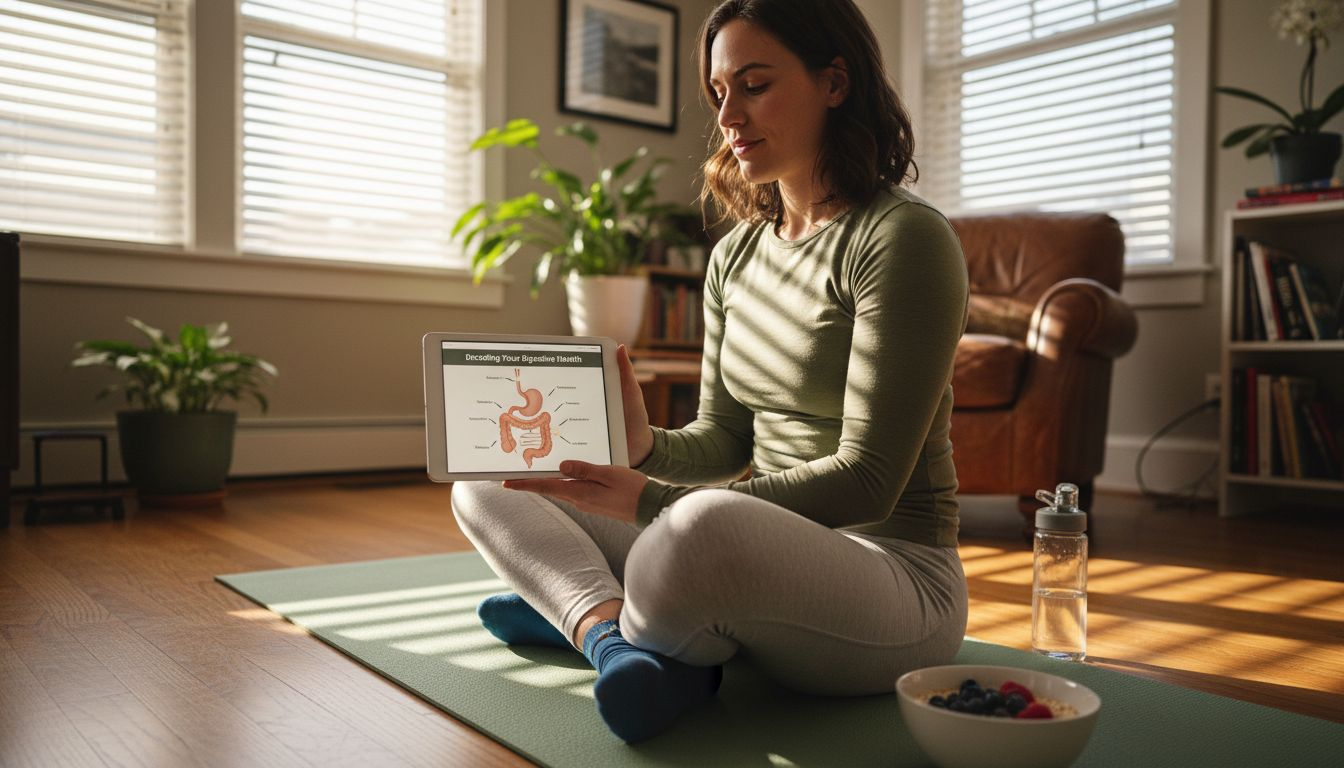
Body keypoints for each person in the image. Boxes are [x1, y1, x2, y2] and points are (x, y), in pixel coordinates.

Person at [450, 0, 969, 744]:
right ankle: (612, 639)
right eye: (720, 93)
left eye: (754, 85)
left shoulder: (903, 237)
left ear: (835, 82)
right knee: (489, 476)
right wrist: (643, 446)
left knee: (700, 525)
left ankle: (580, 604)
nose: (730, 115)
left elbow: (870, 478)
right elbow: (723, 440)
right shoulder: (733, 257)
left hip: (896, 577)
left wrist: (653, 500)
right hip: (757, 544)